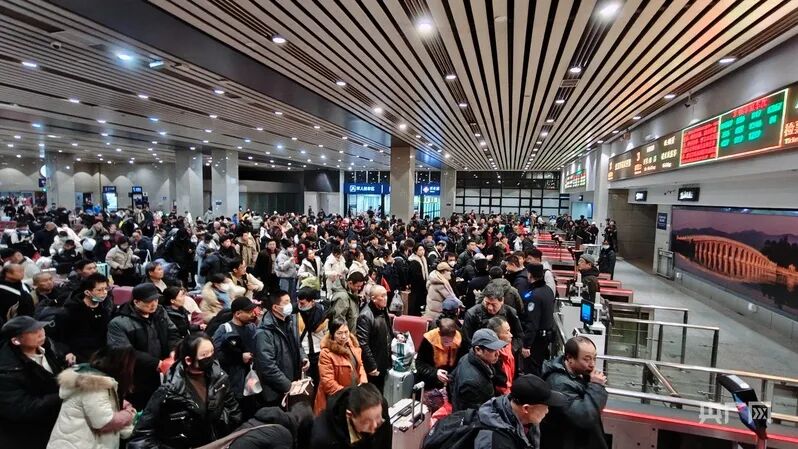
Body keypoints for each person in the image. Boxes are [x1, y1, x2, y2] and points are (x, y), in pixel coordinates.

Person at [130, 333, 242, 448]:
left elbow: (233, 411)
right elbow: (141, 437)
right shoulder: (169, 391)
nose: (210, 357)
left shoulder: (219, 377)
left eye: (212, 352)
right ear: (188, 360)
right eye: (204, 355)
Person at [46, 347, 137, 449]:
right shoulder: (95, 385)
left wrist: (118, 404)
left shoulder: (95, 379)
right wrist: (128, 415)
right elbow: (104, 422)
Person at [106, 283, 180, 409]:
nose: (154, 304)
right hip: (135, 376)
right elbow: (124, 351)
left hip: (162, 372)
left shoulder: (160, 312)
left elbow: (173, 333)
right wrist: (156, 363)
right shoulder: (119, 323)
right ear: (136, 302)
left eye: (156, 300)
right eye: (148, 301)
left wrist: (174, 351)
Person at [0, 316, 68, 448]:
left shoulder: (48, 347)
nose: (41, 332)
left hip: (55, 421)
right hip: (26, 434)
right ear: (16, 340)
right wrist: (62, 395)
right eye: (33, 331)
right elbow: (21, 408)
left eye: (41, 328)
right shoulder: (6, 370)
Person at [540, 336, 609, 449]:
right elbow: (584, 416)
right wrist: (596, 385)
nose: (592, 364)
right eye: (586, 359)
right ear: (570, 358)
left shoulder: (580, 374)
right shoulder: (559, 383)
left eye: (594, 358)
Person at [474, 375, 567, 449]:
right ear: (526, 408)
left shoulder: (524, 418)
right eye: (545, 407)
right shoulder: (495, 442)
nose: (547, 411)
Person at [254, 290, 309, 407]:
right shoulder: (264, 332)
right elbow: (267, 366)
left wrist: (303, 357)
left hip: (294, 383)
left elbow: (297, 345)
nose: (290, 305)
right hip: (276, 391)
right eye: (286, 302)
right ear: (275, 307)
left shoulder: (290, 321)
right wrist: (288, 385)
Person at [213, 297, 260, 419]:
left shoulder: (252, 328)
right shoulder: (224, 329)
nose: (252, 314)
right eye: (249, 312)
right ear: (238, 314)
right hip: (233, 381)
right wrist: (239, 357)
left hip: (251, 379)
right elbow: (215, 356)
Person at [310, 383, 391, 449]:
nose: (374, 428)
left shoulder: (380, 407)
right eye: (366, 422)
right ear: (350, 415)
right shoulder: (323, 439)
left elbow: (384, 443)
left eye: (378, 419)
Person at [314, 317, 368, 415]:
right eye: (339, 333)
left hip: (353, 397)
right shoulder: (326, 353)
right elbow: (328, 383)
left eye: (346, 332)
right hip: (336, 401)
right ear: (332, 335)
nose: (343, 336)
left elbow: (360, 366)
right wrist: (349, 394)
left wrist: (363, 382)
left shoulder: (351, 345)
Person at [59, 273, 114, 363]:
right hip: (80, 353)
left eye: (106, 289)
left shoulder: (106, 307)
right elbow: (63, 336)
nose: (104, 292)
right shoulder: (72, 310)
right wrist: (68, 352)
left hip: (103, 350)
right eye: (99, 290)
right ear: (87, 292)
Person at [449, 328, 506, 412]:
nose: (498, 353)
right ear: (478, 350)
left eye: (497, 349)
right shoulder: (471, 383)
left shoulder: (468, 357)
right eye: (492, 350)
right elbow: (477, 414)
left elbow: (452, 379)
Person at [415, 317, 464, 408]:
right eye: (445, 341)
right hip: (429, 382)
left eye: (450, 341)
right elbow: (419, 364)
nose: (448, 344)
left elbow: (462, 363)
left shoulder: (460, 339)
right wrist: (435, 373)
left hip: (450, 383)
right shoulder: (429, 340)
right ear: (439, 334)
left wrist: (452, 376)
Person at [461, 283, 524, 355]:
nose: (490, 308)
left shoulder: (510, 312)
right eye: (487, 303)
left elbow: (519, 336)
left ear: (502, 301)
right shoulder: (472, 314)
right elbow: (467, 341)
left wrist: (508, 350)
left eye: (493, 304)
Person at [520, 264, 556, 376]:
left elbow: (532, 322)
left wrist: (527, 345)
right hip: (546, 337)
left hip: (536, 339)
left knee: (532, 370)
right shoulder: (548, 290)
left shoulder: (534, 295)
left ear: (530, 274)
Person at [356, 284, 392, 393]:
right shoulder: (365, 316)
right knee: (373, 393)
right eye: (382, 296)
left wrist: (396, 335)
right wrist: (371, 366)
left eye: (386, 295)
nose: (386, 298)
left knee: (381, 391)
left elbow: (386, 329)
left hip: (384, 359)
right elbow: (363, 344)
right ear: (373, 299)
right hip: (374, 363)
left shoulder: (383, 309)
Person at [296, 287, 328, 388]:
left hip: (319, 351)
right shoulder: (296, 313)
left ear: (312, 302)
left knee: (320, 382)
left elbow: (327, 333)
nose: (300, 305)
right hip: (303, 352)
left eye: (303, 303)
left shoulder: (322, 313)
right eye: (299, 302)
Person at [487, 316, 515, 395]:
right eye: (507, 332)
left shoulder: (508, 347)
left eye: (510, 331)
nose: (511, 335)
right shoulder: (492, 358)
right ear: (496, 336)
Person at [407, 243, 428, 316]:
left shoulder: (423, 259)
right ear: (415, 251)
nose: (422, 251)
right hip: (416, 286)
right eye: (420, 250)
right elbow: (415, 276)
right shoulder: (413, 261)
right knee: (415, 303)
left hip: (422, 286)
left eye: (423, 250)